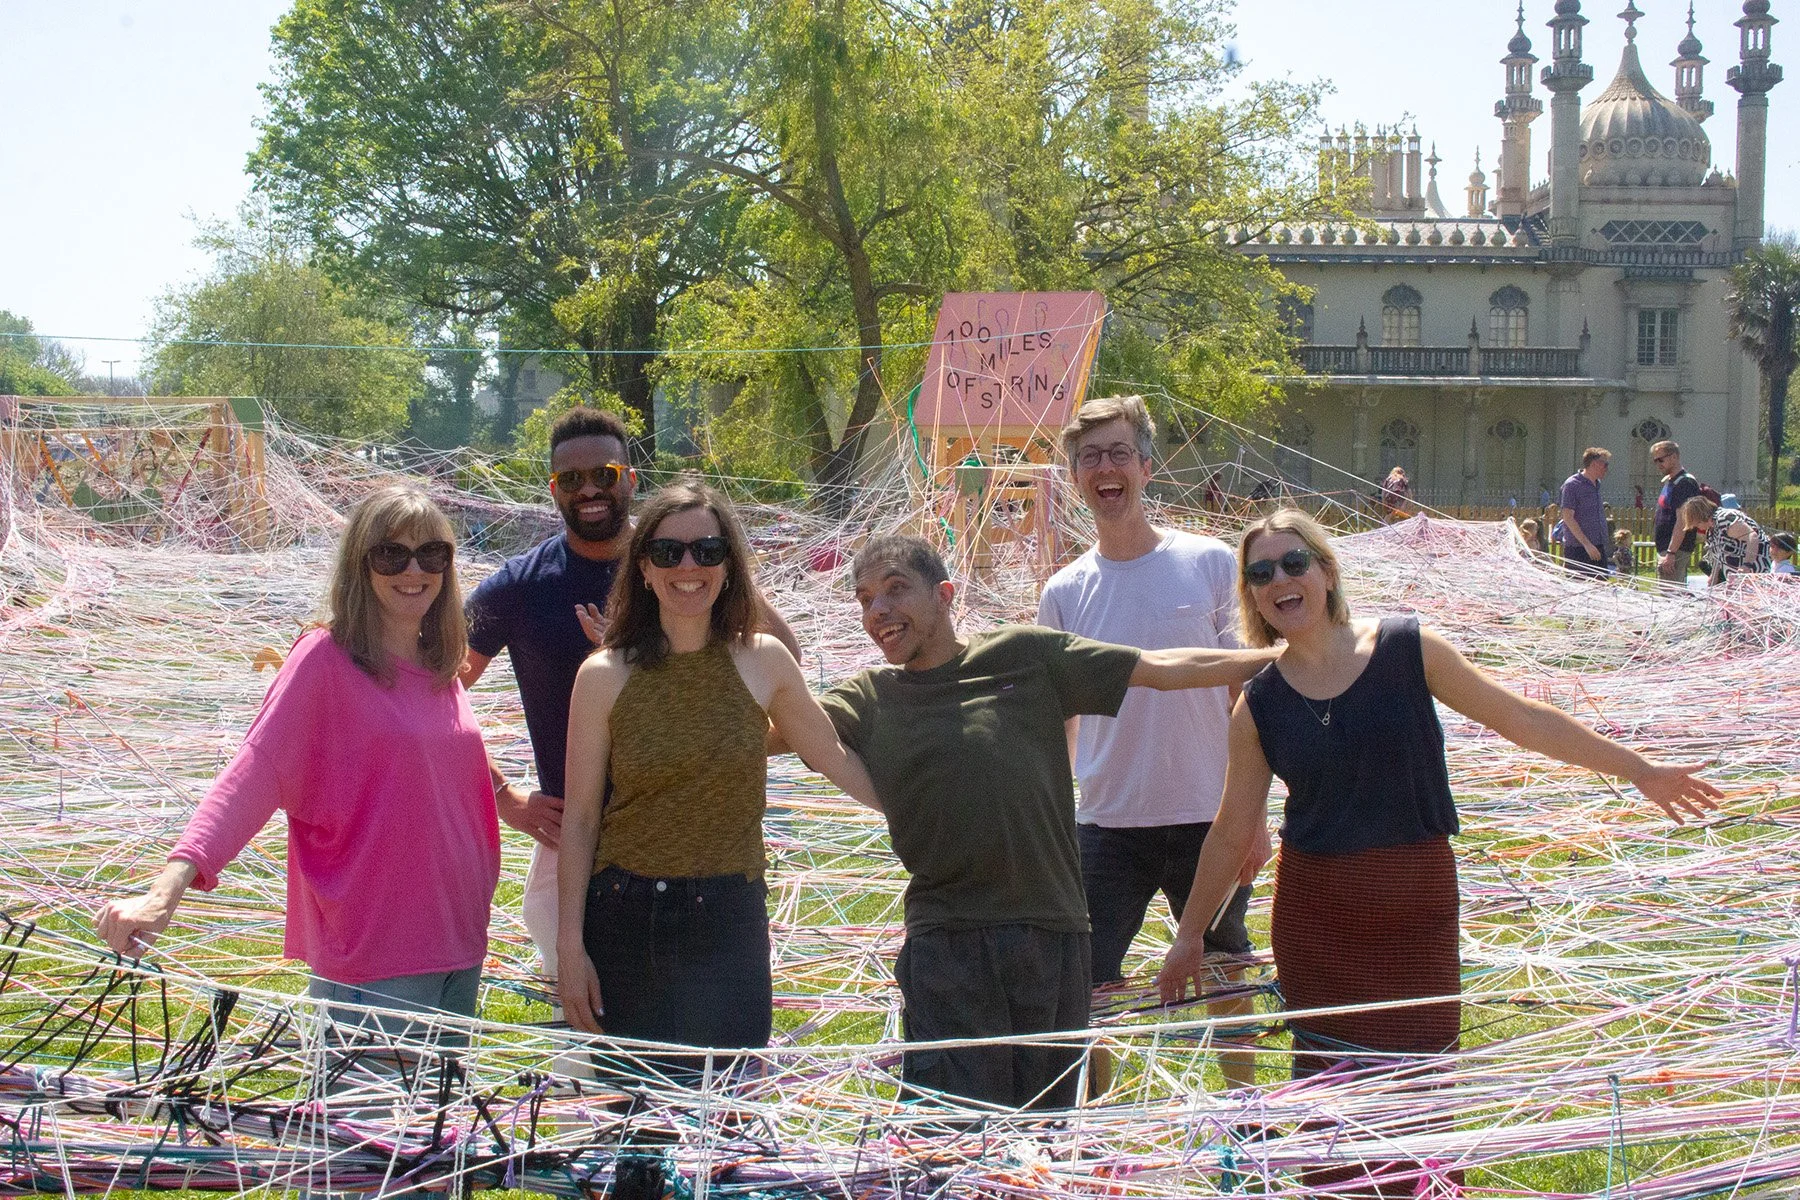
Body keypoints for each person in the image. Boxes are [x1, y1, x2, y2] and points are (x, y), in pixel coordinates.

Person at [1155, 509, 1718, 1191]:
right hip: (1318, 920)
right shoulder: (1259, 704)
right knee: (1331, 1094)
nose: (1280, 580)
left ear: (1327, 572)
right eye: (1261, 573)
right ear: (1252, 596)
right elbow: (1228, 826)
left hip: (1415, 909)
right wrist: (1189, 936)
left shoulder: (1407, 648)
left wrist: (1637, 769)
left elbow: (1522, 719)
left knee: (1421, 1087)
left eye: (1294, 562)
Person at [811, 534, 1277, 1111]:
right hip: (948, 944)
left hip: (1051, 935)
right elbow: (776, 728)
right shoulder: (871, 697)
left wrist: (1284, 656)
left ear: (946, 595)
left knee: (1045, 1130)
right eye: (864, 599)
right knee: (954, 1130)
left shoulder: (1021, 655)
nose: (877, 610)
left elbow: (1160, 668)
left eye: (896, 589)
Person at [96, 485, 500, 1025]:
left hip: (460, 944)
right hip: (377, 956)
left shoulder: (439, 666)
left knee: (438, 1114)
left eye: (432, 553)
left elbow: (438, 782)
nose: (414, 569)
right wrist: (165, 893)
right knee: (375, 1112)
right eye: (391, 553)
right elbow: (253, 774)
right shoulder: (325, 661)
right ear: (361, 564)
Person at [462, 407, 798, 987]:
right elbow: (433, 691)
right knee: (591, 1028)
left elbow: (781, 660)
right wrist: (501, 794)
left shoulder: (679, 559)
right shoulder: (520, 586)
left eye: (606, 474)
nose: (589, 489)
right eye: (571, 479)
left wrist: (747, 744)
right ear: (553, 490)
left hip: (695, 839)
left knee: (698, 1030)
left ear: (631, 479)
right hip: (580, 841)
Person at [557, 481, 879, 1072]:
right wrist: (569, 945)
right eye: (668, 552)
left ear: (728, 566)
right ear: (644, 569)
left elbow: (831, 756)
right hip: (628, 914)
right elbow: (579, 820)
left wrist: (922, 816)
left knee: (724, 1127)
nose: (688, 566)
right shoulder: (602, 676)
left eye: (707, 551)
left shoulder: (764, 662)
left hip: (730, 916)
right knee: (641, 1133)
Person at [1035, 395, 1259, 1090]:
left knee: (1225, 962)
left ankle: (1245, 1110)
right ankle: (1092, 1127)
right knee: (1088, 983)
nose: (1107, 469)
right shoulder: (1064, 591)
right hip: (1107, 824)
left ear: (1146, 466)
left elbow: (1246, 694)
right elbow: (1057, 723)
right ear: (1076, 477)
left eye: (1120, 453)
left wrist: (1252, 816)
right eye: (1092, 457)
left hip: (1209, 818)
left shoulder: (1210, 563)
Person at [1674, 496, 1770, 583]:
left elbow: (1752, 537)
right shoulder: (1711, 530)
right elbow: (1719, 555)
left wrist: (1747, 564)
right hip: (1736, 578)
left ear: (1702, 516)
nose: (1696, 527)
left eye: (1697, 523)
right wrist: (1714, 576)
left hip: (1755, 571)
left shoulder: (1724, 519)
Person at [1651, 440, 1703, 582]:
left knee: (1670, 595)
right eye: (1655, 461)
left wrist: (1671, 552)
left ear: (1674, 456)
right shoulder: (1671, 481)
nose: (1658, 464)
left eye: (1660, 459)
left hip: (1675, 551)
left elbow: (1682, 521)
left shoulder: (1684, 483)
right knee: (1666, 594)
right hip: (1666, 548)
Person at [1555, 447, 1610, 574]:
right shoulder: (1572, 485)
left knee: (1600, 588)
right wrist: (1587, 545)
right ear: (1594, 464)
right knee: (1579, 588)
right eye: (1605, 464)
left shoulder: (1597, 484)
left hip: (1598, 546)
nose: (1607, 469)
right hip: (1579, 548)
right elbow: (1568, 517)